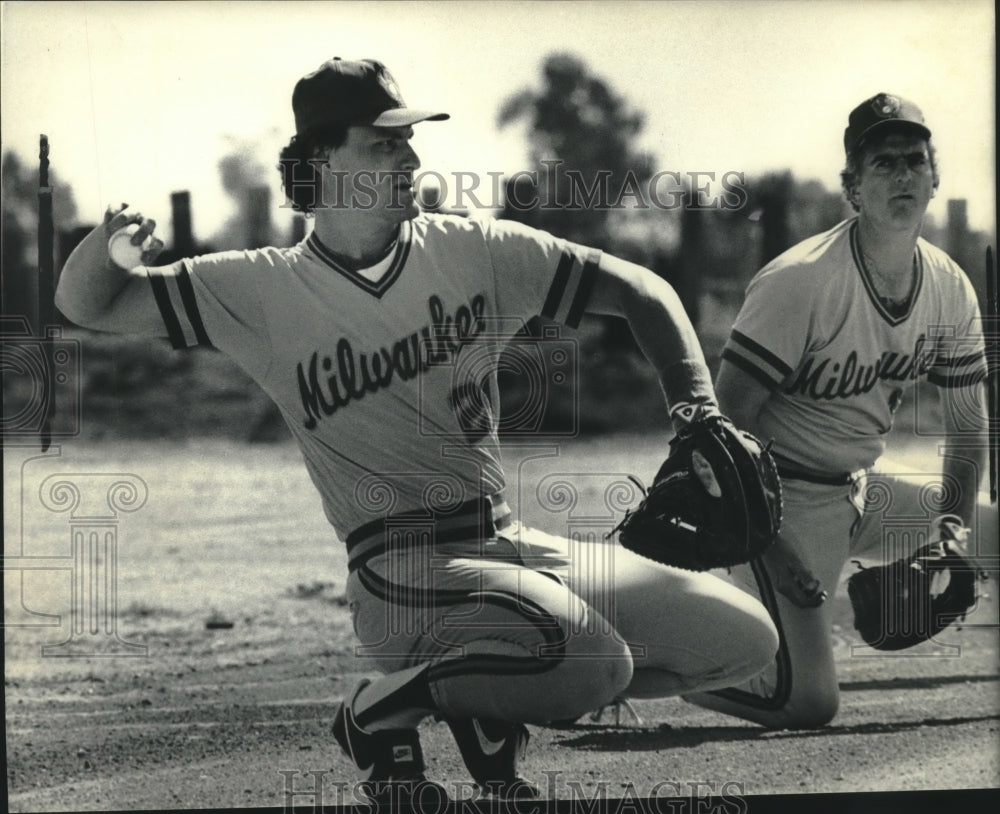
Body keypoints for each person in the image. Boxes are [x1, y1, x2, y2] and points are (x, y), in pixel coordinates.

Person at [55, 57, 779, 801]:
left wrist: (697, 409)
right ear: (321, 162)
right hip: (399, 574)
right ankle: (379, 713)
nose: (410, 158)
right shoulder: (258, 288)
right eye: (384, 144)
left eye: (409, 141)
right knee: (596, 663)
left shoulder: (474, 251)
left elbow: (642, 289)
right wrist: (106, 247)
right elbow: (87, 306)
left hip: (511, 544)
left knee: (745, 642)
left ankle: (487, 697)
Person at [684, 93, 995, 729]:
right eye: (883, 163)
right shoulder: (801, 281)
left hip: (858, 494)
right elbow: (718, 434)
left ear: (935, 179)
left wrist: (953, 532)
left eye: (915, 160)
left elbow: (968, 427)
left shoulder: (948, 285)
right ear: (852, 186)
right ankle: (668, 667)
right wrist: (773, 551)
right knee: (810, 703)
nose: (903, 174)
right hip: (777, 506)